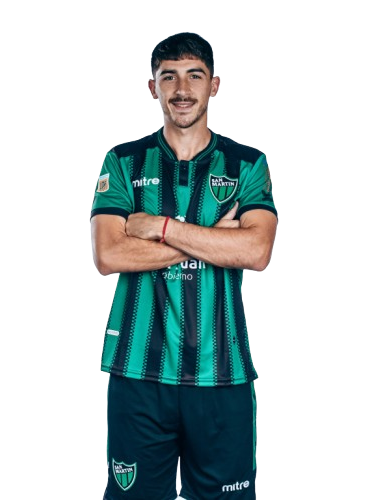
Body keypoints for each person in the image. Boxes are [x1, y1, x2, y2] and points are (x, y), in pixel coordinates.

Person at [90, 31, 278, 500]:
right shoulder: (124, 161)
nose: (181, 89)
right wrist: (215, 238)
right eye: (168, 76)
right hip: (137, 372)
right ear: (151, 87)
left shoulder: (247, 163)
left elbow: (257, 252)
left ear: (214, 85)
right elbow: (108, 255)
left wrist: (159, 227)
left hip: (222, 372)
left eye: (195, 76)